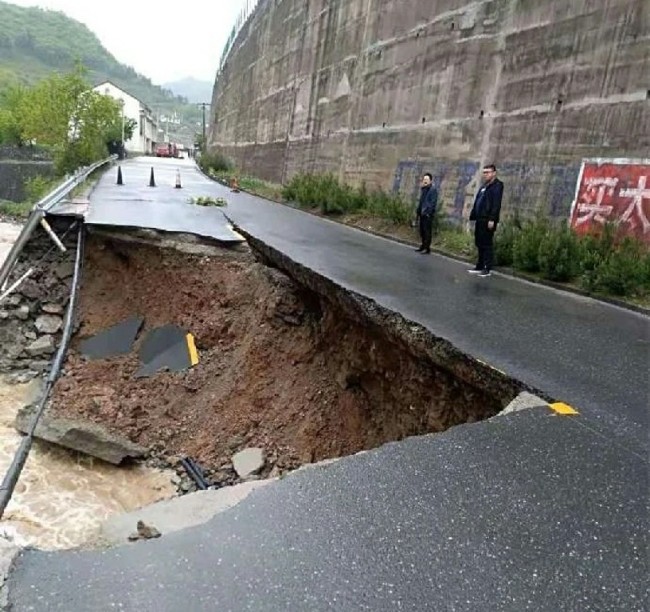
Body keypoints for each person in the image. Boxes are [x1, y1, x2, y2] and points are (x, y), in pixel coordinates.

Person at [468, 164, 503, 277]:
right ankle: (479, 265)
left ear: (494, 173)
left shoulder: (497, 186)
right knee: (479, 243)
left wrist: (492, 219)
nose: (485, 174)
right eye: (484, 172)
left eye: (488, 172)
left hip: (488, 219)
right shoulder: (484, 186)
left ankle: (487, 268)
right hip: (480, 218)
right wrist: (473, 215)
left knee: (487, 244)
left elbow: (496, 204)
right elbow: (478, 200)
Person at [415, 173, 438, 254]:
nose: (425, 181)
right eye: (424, 179)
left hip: (427, 214)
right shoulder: (424, 189)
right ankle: (422, 245)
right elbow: (421, 201)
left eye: (427, 180)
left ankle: (427, 248)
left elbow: (433, 203)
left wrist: (428, 212)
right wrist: (418, 211)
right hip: (422, 213)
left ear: (430, 181)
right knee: (422, 231)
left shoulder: (433, 190)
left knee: (427, 231)